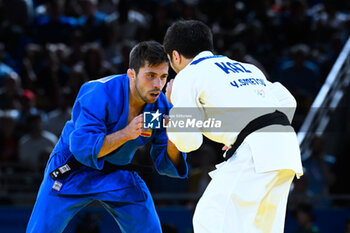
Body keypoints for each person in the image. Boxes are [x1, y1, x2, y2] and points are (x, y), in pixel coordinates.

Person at [26, 41, 188, 233]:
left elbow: (166, 163)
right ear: (132, 74)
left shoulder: (161, 107)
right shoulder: (99, 92)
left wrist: (174, 137)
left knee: (149, 229)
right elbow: (83, 149)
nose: (157, 85)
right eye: (150, 76)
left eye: (163, 77)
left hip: (118, 171)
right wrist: (127, 133)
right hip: (72, 169)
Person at [163, 20, 303, 233]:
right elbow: (288, 101)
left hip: (258, 153)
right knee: (260, 228)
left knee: (210, 219)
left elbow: (189, 142)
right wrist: (243, 133)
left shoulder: (188, 75)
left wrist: (174, 106)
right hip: (286, 149)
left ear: (175, 56)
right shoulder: (247, 68)